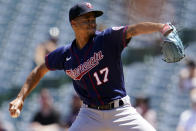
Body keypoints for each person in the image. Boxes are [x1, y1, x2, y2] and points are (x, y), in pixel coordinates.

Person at [9, 2, 174, 131]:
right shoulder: (66, 54)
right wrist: (20, 97)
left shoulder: (107, 38)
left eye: (93, 18)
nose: (91, 22)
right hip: (90, 115)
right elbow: (39, 70)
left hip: (120, 111)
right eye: (86, 19)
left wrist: (161, 27)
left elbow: (134, 29)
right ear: (74, 24)